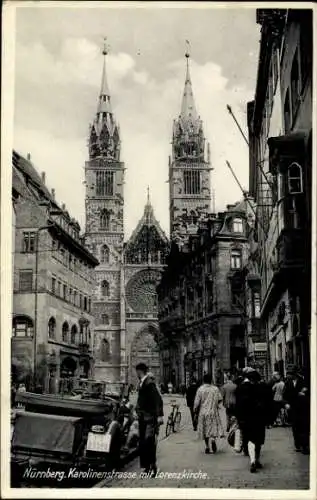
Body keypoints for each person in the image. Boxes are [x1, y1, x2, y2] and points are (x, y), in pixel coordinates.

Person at [235, 367, 270, 473]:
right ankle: (257, 459)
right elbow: (266, 403)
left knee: (250, 440)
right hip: (259, 418)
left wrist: (238, 418)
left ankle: (252, 460)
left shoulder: (240, 388)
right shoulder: (260, 388)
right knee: (258, 440)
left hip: (246, 419)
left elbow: (238, 405)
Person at [135, 363, 164, 476]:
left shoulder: (149, 384)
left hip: (149, 418)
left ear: (139, 371)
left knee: (148, 442)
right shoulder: (143, 383)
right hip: (143, 418)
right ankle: (147, 467)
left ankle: (152, 467)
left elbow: (157, 400)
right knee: (144, 442)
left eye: (136, 371)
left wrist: (159, 416)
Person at [193, 373, 223, 454]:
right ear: (211, 380)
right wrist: (215, 403)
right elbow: (220, 399)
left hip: (203, 412)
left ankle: (207, 447)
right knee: (212, 427)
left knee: (205, 429)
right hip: (213, 411)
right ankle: (213, 439)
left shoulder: (200, 389)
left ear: (203, 380)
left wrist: (195, 411)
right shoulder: (215, 389)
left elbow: (196, 402)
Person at [283, 365, 309, 453]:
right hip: (293, 408)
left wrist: (305, 393)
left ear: (294, 374)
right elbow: (284, 396)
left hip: (303, 407)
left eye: (289, 373)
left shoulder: (303, 381)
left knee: (304, 426)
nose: (287, 375)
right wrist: (286, 404)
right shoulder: (287, 383)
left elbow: (308, 390)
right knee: (295, 427)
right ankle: (297, 444)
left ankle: (305, 446)